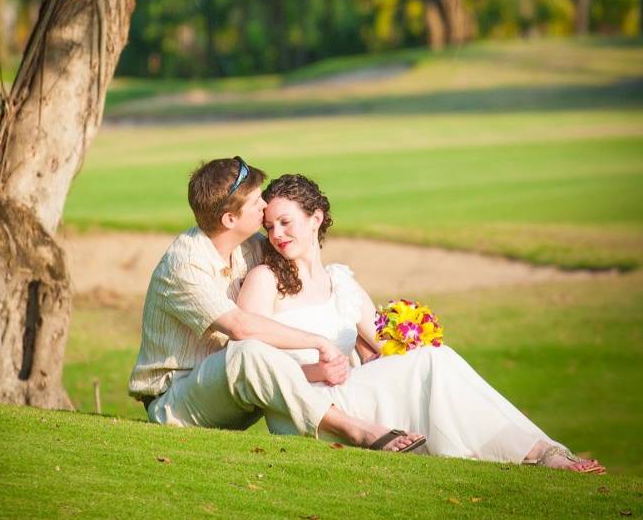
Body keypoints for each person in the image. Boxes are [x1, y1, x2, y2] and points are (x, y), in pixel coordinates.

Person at [236, 173, 605, 474]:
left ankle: (533, 449)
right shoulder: (265, 279)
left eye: (286, 222)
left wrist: (410, 337)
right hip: (310, 407)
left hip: (353, 394)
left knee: (432, 356)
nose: (277, 235)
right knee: (433, 362)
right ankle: (538, 452)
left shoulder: (341, 282)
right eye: (270, 227)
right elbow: (251, 362)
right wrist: (319, 371)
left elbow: (384, 348)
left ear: (315, 218)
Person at [128, 157, 425, 452]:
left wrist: (360, 341)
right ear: (230, 219)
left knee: (253, 350)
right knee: (248, 349)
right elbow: (241, 327)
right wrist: (319, 342)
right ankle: (355, 430)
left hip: (236, 389)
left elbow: (311, 289)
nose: (264, 206)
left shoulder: (251, 246)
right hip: (179, 402)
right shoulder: (184, 265)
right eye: (257, 201)